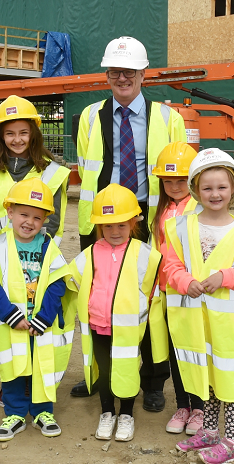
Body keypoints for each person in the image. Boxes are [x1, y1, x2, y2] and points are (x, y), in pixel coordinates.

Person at [72, 36, 186, 409]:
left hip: (150, 221)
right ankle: (100, 377)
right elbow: (87, 168)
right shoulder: (90, 116)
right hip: (103, 224)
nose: (122, 78)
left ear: (142, 74)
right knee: (99, 303)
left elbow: (180, 173)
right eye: (115, 71)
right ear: (107, 75)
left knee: (150, 304)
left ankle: (152, 381)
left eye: (129, 72)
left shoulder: (169, 118)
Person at [164, 148, 234, 464]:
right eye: (207, 187)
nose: (215, 194)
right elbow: (171, 266)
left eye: (221, 187)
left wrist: (224, 276)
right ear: (195, 190)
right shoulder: (182, 227)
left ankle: (231, 442)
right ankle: (210, 433)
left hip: (230, 329)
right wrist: (186, 282)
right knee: (208, 380)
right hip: (198, 324)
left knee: (230, 382)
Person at [68, 184, 164, 442]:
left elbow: (154, 286)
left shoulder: (144, 254)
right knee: (106, 371)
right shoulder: (89, 253)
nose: (114, 231)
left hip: (129, 328)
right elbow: (70, 279)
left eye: (121, 225)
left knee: (128, 369)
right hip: (99, 325)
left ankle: (127, 415)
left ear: (134, 222)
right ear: (99, 227)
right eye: (108, 226)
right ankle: (107, 412)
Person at [0, 178, 75, 441]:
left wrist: (45, 317)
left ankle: (42, 411)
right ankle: (14, 413)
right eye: (23, 214)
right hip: (10, 322)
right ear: (9, 212)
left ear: (45, 219)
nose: (29, 222)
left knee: (42, 366)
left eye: (37, 217)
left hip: (40, 324)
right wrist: (11, 316)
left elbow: (58, 284)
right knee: (13, 366)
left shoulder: (49, 247)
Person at [148, 142, 205, 435]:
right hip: (168, 293)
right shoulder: (162, 211)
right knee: (175, 352)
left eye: (181, 180)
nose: (174, 185)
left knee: (195, 350)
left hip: (193, 292)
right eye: (167, 180)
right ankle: (183, 405)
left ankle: (200, 409)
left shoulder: (199, 209)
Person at [0, 95, 71, 246]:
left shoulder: (53, 174)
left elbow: (51, 222)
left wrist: (30, 253)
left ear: (33, 134)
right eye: (10, 133)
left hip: (37, 256)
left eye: (23, 133)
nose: (17, 140)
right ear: (1, 137)